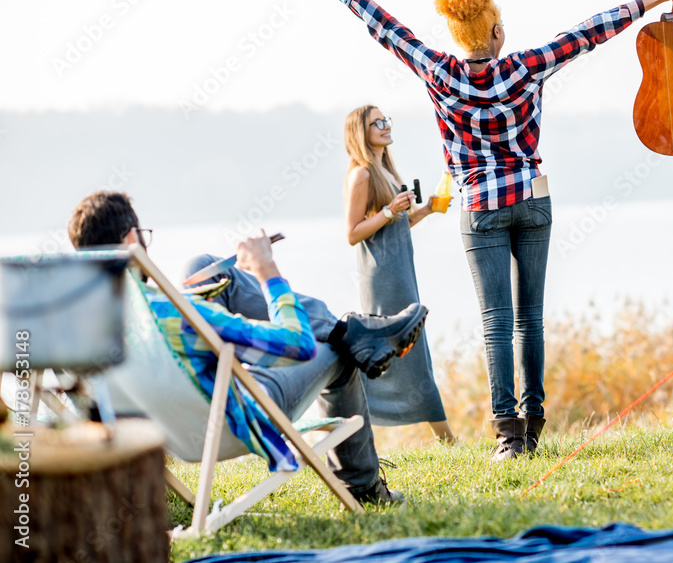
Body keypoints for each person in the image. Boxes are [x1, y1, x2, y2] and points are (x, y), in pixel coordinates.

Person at [292, 0, 673, 461]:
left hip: (480, 204)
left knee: (496, 321)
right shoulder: (526, 66)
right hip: (532, 197)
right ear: (496, 31)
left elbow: (382, 25)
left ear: (460, 35)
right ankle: (535, 421)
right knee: (531, 319)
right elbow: (591, 32)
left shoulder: (438, 70)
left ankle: (508, 437)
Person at [67, 190, 427, 504]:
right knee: (338, 347)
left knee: (204, 266)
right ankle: (361, 484)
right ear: (132, 239)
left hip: (174, 430)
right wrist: (268, 272)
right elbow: (298, 346)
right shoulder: (175, 313)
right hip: (235, 420)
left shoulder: (77, 333)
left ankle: (351, 331)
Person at [343, 104, 455, 443]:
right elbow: (352, 233)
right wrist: (391, 210)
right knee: (400, 347)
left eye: (385, 120)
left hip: (401, 270)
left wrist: (426, 210)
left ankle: (360, 428)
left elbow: (396, 226)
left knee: (408, 347)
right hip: (383, 278)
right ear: (361, 133)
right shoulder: (361, 173)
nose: (385, 126)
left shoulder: (386, 170)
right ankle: (446, 437)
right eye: (377, 123)